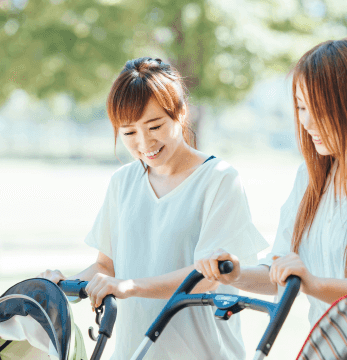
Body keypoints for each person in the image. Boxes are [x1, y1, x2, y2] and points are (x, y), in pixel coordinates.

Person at [195, 39, 347, 328]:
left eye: (320, 108)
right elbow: (280, 268)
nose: (308, 122)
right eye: (301, 107)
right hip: (326, 346)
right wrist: (234, 274)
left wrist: (314, 284)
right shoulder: (311, 176)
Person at [38, 58, 268, 360]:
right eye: (129, 132)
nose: (144, 142)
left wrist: (130, 286)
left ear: (181, 113)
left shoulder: (220, 179)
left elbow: (210, 277)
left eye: (155, 125)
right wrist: (60, 288)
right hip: (135, 352)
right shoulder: (122, 182)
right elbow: (106, 267)